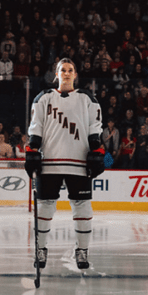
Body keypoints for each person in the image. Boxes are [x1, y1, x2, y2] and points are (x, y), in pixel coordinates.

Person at [25, 58, 104, 270]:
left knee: (82, 208)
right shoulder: (43, 97)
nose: (67, 73)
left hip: (78, 161)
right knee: (45, 208)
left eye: (70, 70)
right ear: (56, 74)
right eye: (63, 70)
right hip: (49, 161)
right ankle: (41, 249)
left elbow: (94, 127)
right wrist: (32, 150)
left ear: (75, 74)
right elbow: (36, 128)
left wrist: (97, 149)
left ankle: (82, 251)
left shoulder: (87, 98)